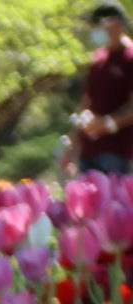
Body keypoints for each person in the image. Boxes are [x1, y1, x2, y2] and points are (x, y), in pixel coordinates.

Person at [73, 3, 133, 175]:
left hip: (119, 151)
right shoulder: (98, 60)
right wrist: (72, 143)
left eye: (97, 26)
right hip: (88, 151)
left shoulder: (130, 58)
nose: (95, 31)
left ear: (115, 23)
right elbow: (86, 101)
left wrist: (108, 124)